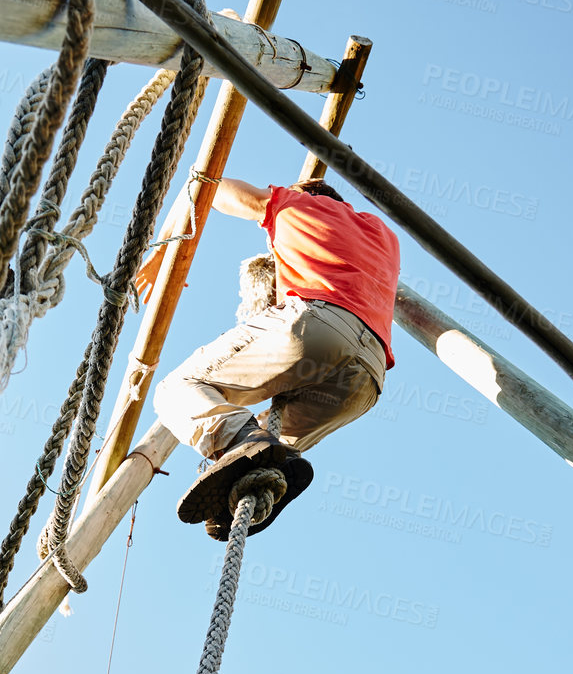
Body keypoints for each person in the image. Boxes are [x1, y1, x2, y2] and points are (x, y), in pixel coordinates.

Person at [137, 177, 400, 539]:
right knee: (274, 445)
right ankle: (256, 484)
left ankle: (238, 443)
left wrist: (164, 252)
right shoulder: (383, 236)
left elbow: (210, 186)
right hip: (367, 376)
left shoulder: (300, 203)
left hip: (315, 326)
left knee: (176, 389)